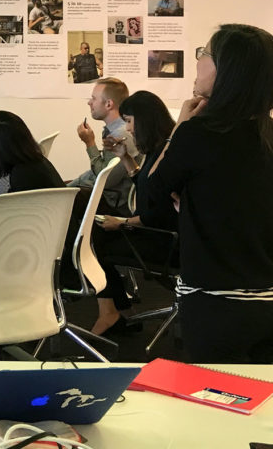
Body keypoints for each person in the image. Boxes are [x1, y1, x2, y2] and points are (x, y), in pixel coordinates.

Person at [136, 24, 273, 363]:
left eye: (204, 54)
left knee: (218, 398)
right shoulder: (267, 133)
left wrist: (179, 127)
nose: (197, 62)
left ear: (228, 70)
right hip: (266, 298)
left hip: (214, 300)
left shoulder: (199, 132)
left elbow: (150, 195)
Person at [91, 90, 177, 336]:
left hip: (166, 241)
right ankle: (119, 313)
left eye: (129, 121)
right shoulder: (159, 149)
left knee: (98, 246)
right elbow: (150, 190)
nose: (127, 128)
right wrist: (126, 158)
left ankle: (112, 313)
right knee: (98, 237)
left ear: (144, 120)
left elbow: (161, 212)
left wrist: (123, 222)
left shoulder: (166, 154)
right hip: (161, 232)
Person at [69, 78, 136, 216]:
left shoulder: (120, 134)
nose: (89, 102)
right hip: (108, 194)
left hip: (113, 204)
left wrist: (90, 143)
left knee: (62, 200)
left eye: (93, 99)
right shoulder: (116, 129)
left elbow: (104, 179)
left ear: (108, 104)